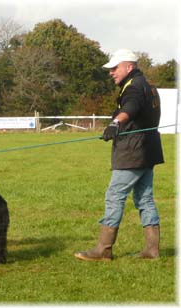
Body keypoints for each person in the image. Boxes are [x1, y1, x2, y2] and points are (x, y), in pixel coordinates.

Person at [74, 49, 164, 261]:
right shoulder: (148, 86)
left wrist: (116, 122)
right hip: (148, 150)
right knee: (145, 198)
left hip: (133, 151)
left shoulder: (133, 87)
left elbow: (130, 107)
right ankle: (152, 250)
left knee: (115, 195)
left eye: (115, 68)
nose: (111, 72)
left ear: (129, 67)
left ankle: (103, 250)